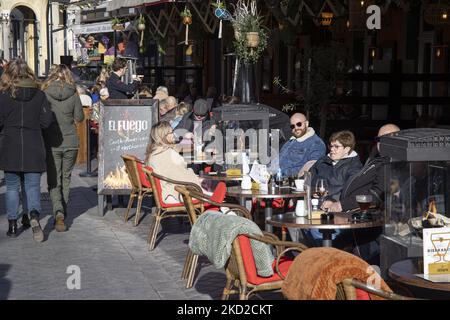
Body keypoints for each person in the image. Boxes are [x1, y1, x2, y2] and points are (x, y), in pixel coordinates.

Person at [0, 59, 54, 241]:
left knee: (12, 187)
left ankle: (13, 225)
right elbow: (46, 122)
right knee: (32, 186)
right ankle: (33, 215)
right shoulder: (39, 95)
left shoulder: (4, 95)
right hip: (33, 144)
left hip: (10, 145)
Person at [41, 64, 84, 232]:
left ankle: (58, 212)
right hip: (71, 142)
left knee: (54, 180)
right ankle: (62, 214)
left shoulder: (44, 94)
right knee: (66, 178)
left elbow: (42, 119)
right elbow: (79, 118)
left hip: (52, 142)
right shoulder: (73, 93)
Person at [322, 124, 401, 213]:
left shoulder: (391, 163)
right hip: (349, 211)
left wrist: (342, 205)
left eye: (387, 139)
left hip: (362, 216)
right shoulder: (377, 160)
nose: (381, 142)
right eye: (379, 139)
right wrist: (334, 201)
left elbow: (377, 195)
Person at [145, 121, 203, 204]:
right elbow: (181, 176)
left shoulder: (155, 152)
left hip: (166, 192)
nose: (174, 134)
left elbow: (176, 149)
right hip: (177, 194)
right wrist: (197, 179)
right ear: (164, 136)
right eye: (172, 132)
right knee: (215, 188)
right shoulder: (168, 155)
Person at [309, 130, 363, 201]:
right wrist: (312, 191)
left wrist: (331, 198)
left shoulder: (354, 167)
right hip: (312, 200)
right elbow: (308, 178)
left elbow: (350, 192)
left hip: (335, 205)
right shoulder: (323, 161)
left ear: (347, 149)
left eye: (336, 146)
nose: (332, 149)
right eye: (331, 146)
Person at [278, 113, 326, 178]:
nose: (296, 128)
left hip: (295, 184)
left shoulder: (316, 144)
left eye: (299, 124)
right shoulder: (290, 141)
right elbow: (278, 160)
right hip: (279, 180)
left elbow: (312, 169)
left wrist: (281, 172)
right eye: (292, 126)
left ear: (306, 124)